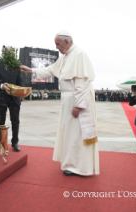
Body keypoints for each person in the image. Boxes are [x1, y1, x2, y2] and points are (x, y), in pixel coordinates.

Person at [21, 30, 99, 176]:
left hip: (76, 100)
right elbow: (50, 70)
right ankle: (71, 163)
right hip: (67, 100)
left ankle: (80, 167)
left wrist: (78, 105)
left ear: (66, 42)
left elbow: (82, 82)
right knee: (69, 134)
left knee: (77, 135)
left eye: (58, 44)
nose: (56, 47)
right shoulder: (65, 56)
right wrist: (31, 71)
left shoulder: (79, 54)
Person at [0, 46, 23, 152]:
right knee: (0, 122)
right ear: (2, 53)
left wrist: (19, 89)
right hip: (0, 97)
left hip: (14, 99)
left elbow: (20, 82)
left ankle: (15, 142)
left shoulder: (16, 66)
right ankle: (1, 143)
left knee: (15, 121)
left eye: (11, 52)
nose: (9, 54)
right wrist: (2, 85)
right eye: (7, 52)